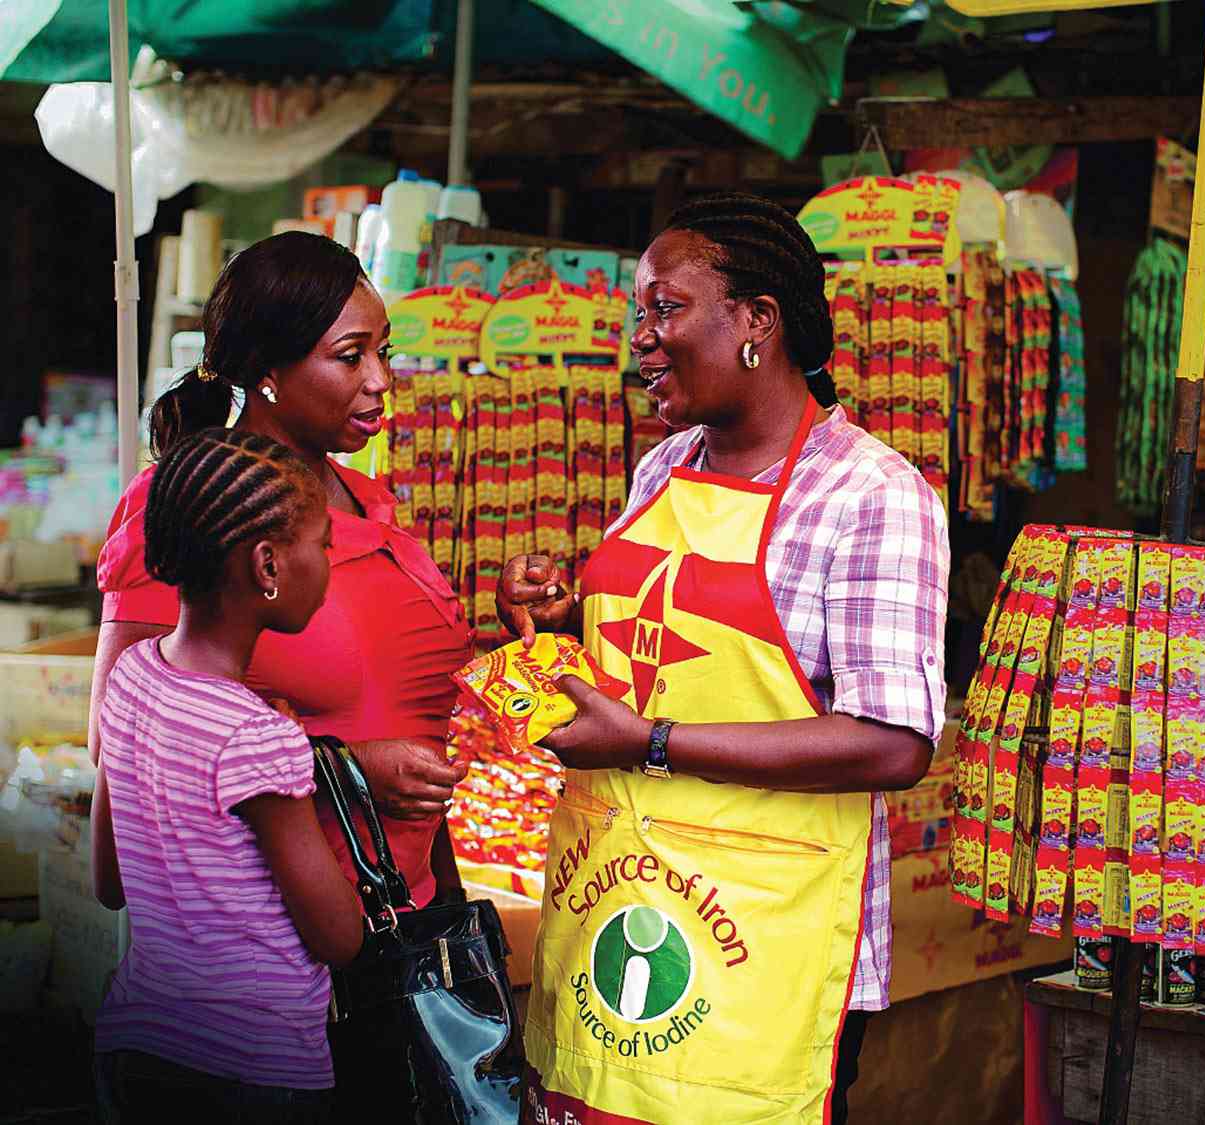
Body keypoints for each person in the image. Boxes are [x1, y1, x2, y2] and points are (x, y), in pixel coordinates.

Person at [502, 193, 950, 1124]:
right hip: (619, 904)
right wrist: (552, 633)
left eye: (665, 308)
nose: (644, 338)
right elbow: (648, 666)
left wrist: (651, 742)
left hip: (767, 936)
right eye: (640, 314)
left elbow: (895, 743)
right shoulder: (664, 467)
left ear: (757, 321)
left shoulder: (872, 494)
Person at [88, 233, 472, 1087]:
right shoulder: (196, 511)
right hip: (291, 972)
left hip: (405, 920)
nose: (382, 379)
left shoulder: (360, 498)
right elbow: (130, 759)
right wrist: (345, 769)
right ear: (266, 369)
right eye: (350, 355)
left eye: (384, 351)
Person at [91, 429, 364, 1123]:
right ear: (267, 564)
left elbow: (109, 881)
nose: (329, 564)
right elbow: (340, 936)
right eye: (323, 545)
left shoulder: (129, 678)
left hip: (140, 1045)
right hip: (257, 1069)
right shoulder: (258, 737)